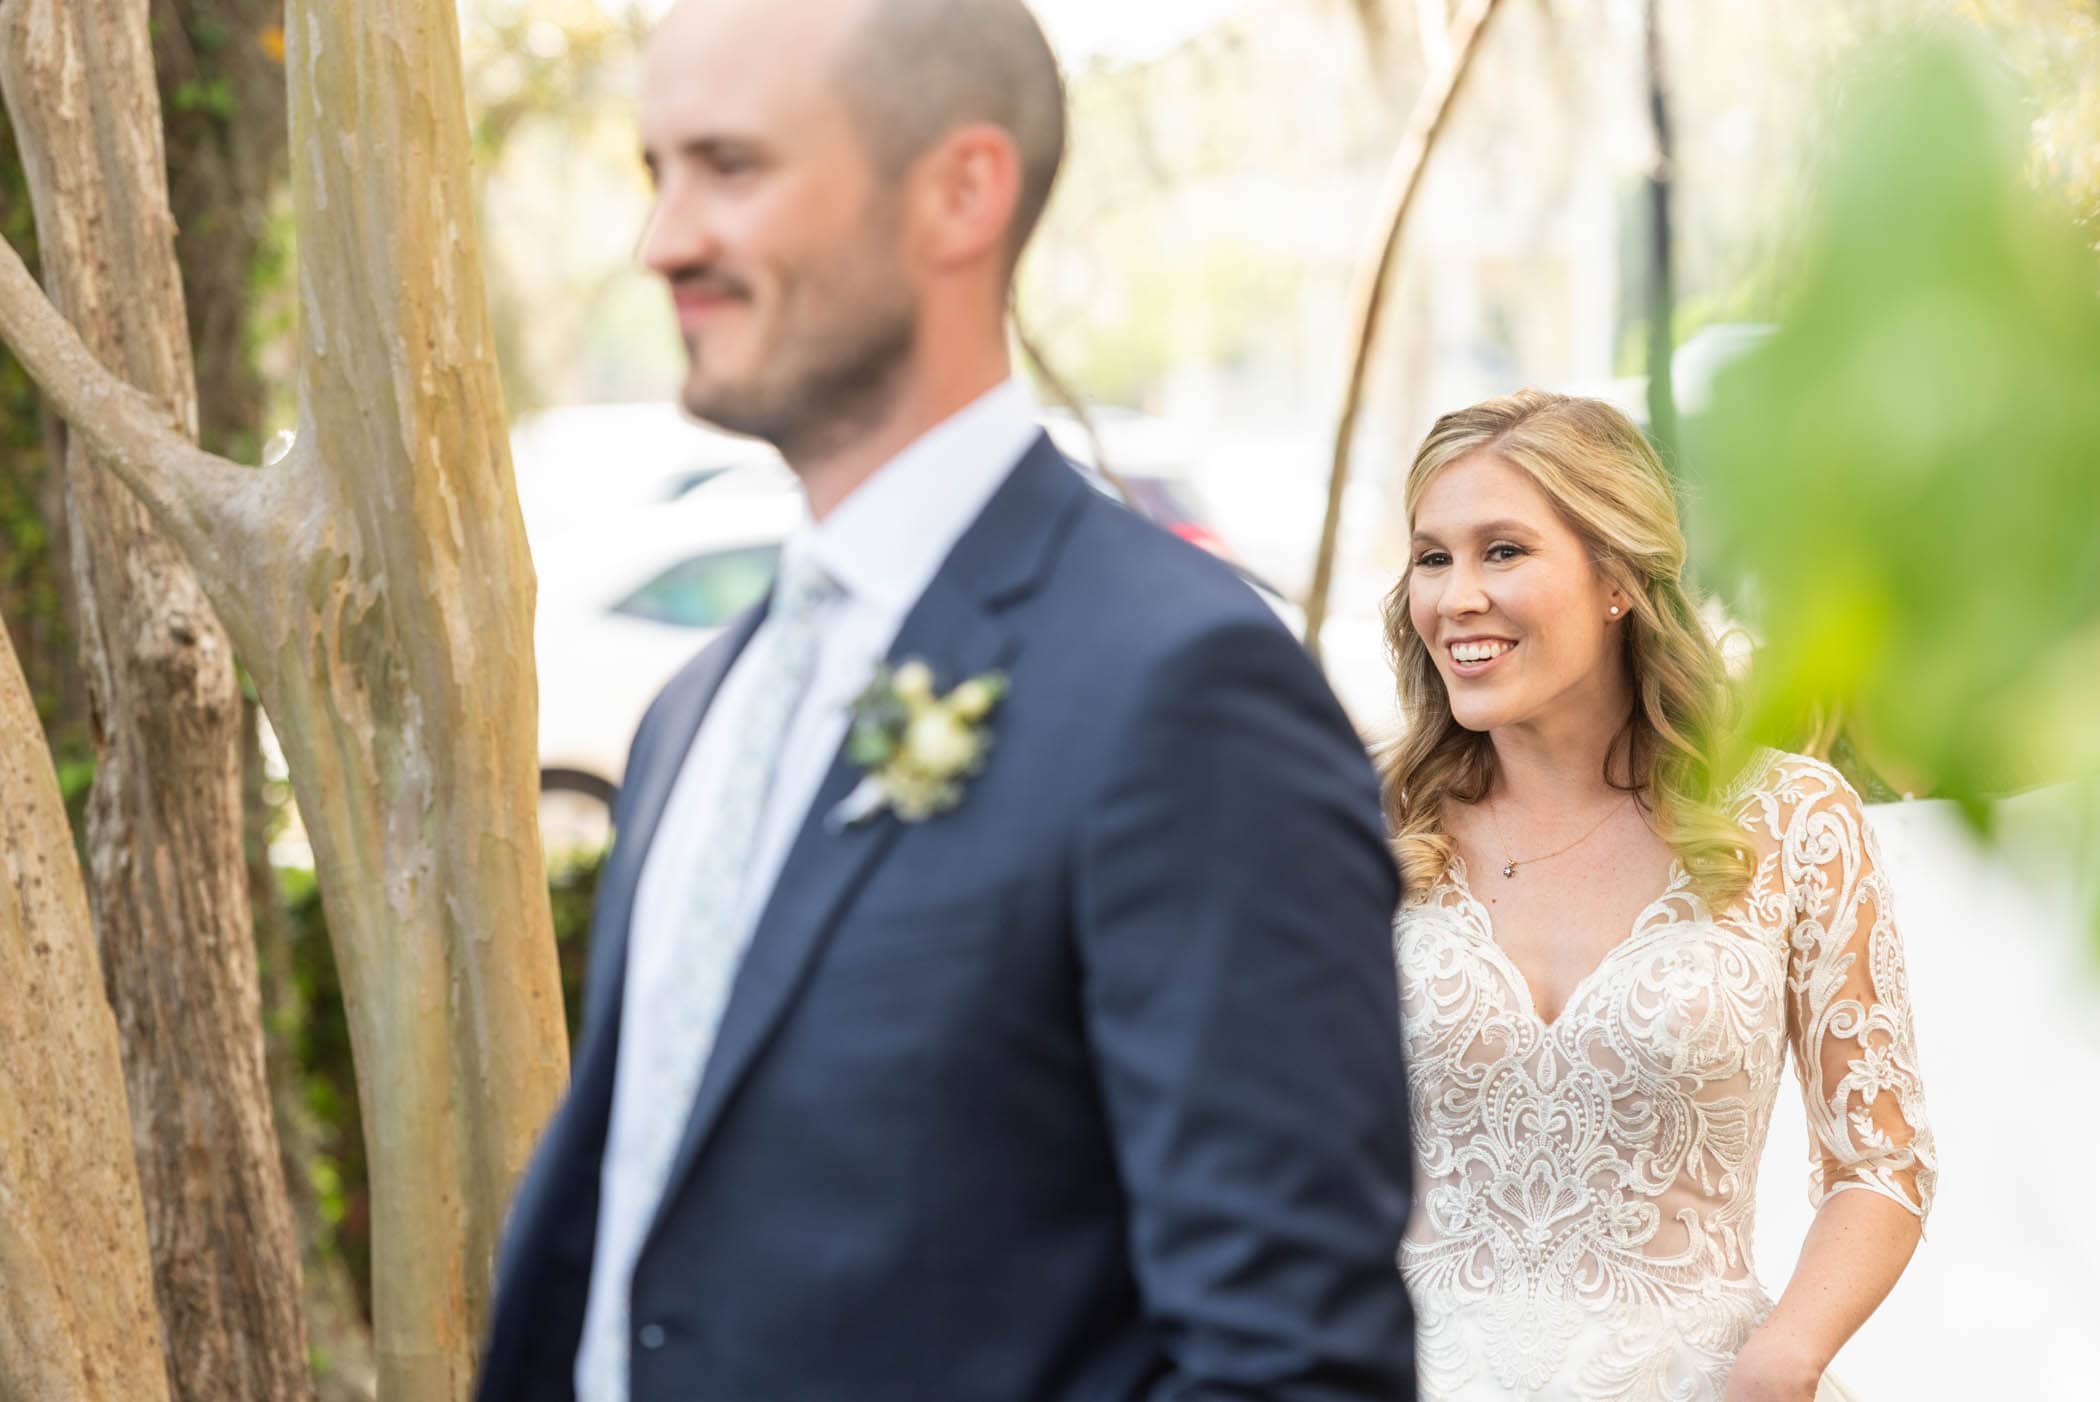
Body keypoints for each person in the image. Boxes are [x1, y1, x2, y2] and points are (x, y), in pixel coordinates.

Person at [474, 2, 1418, 1399]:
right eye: (654, 171)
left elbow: (1291, 1367)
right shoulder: (695, 710)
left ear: (961, 192)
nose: (663, 240)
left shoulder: (1181, 690)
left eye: (729, 168)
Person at [1382, 390, 1934, 1401]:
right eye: (1433, 557)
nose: (1456, 597)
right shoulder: (1366, 830)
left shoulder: (1792, 821)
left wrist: (1787, 1355)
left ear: (1615, 578)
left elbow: (1880, 1164)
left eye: (1503, 551)